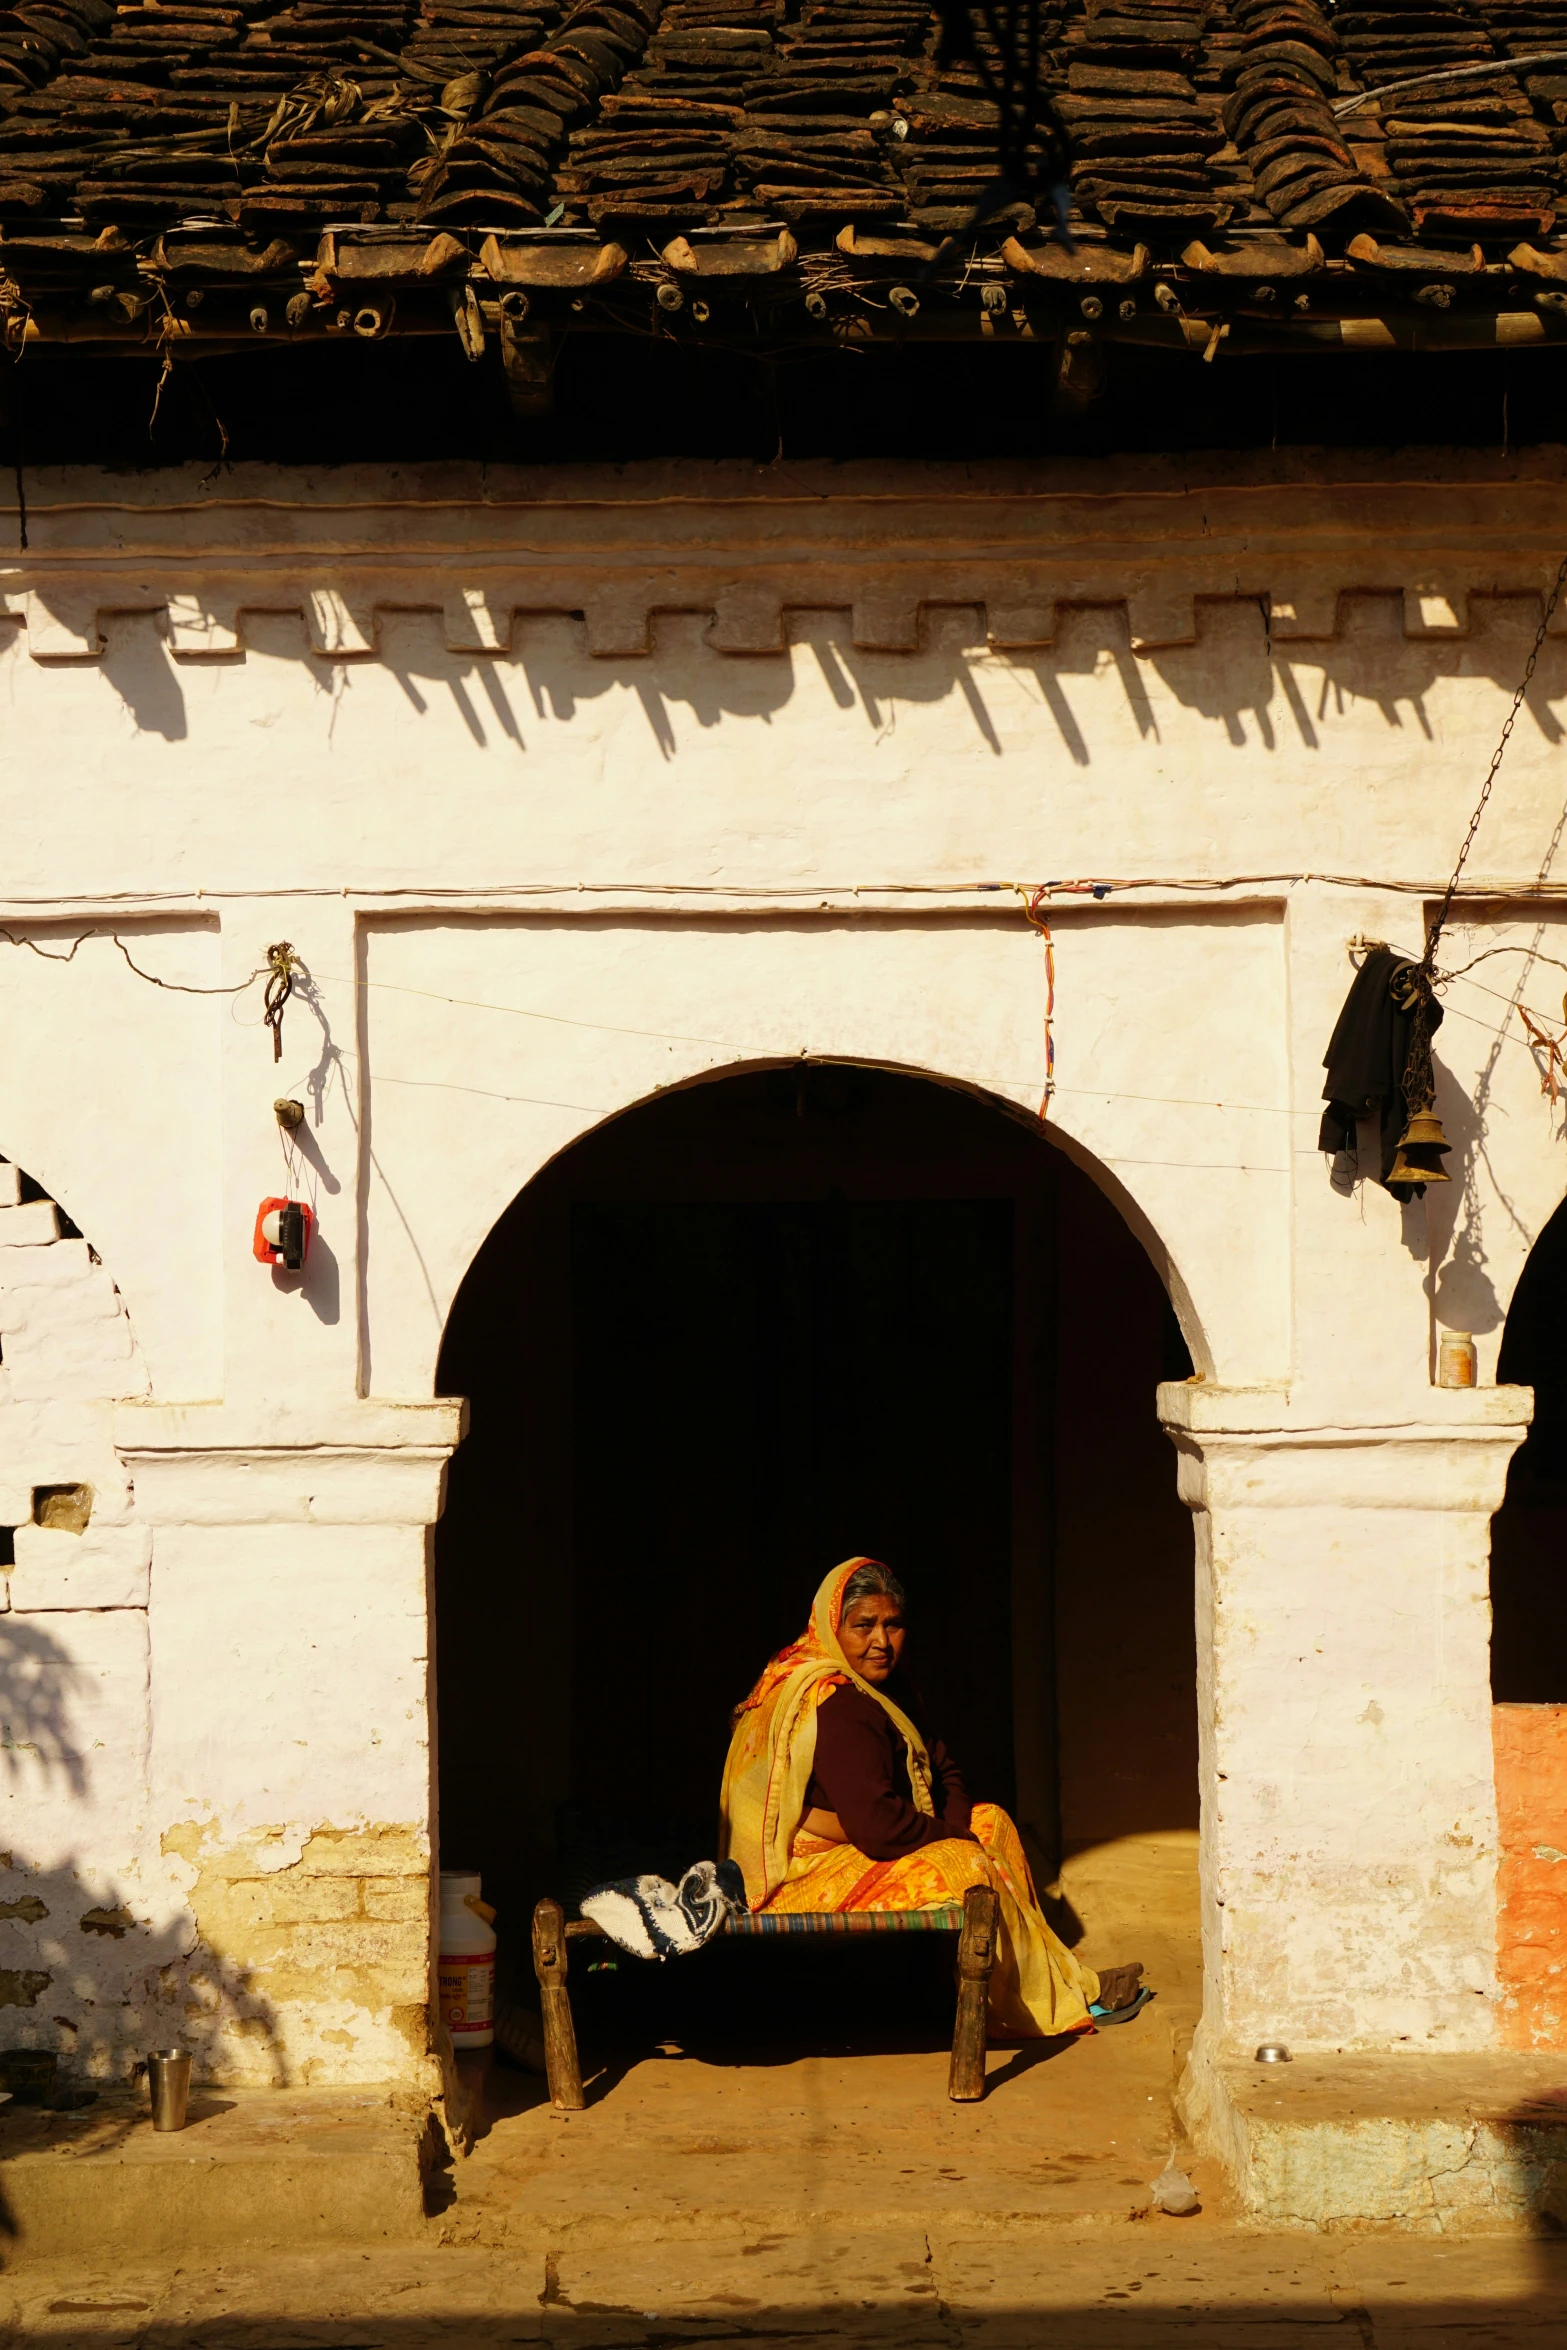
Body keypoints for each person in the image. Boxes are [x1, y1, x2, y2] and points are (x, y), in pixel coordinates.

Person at [719, 1556, 1145, 2039]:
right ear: (831, 1628)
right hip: (802, 1873)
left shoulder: (887, 1688)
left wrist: (960, 1828)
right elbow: (879, 1829)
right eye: (863, 1626)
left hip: (869, 1836)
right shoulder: (835, 1704)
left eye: (893, 1625)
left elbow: (943, 1767)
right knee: (969, 1866)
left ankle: (1036, 1986)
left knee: (994, 1824)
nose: (881, 1642)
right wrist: (954, 1841)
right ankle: (1021, 2004)